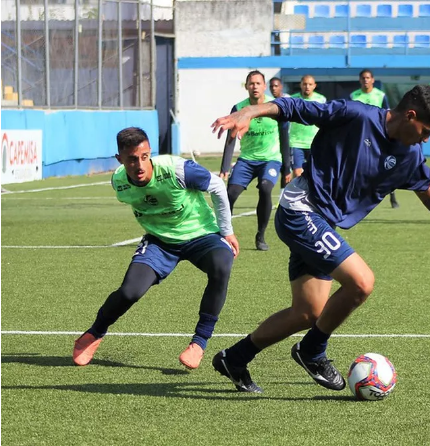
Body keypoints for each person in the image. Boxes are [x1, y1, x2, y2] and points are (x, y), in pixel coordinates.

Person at [209, 85, 430, 393]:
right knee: (362, 282)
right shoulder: (356, 115)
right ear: (410, 116)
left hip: (324, 224)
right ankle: (312, 352)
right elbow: (296, 108)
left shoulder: (410, 154)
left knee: (308, 313)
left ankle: (235, 358)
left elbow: (424, 186)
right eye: (425, 131)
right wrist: (250, 111)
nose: (426, 139)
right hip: (302, 209)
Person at [73, 127, 240, 370]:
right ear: (119, 159)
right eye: (131, 159)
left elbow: (215, 185)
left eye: (144, 157)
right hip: (159, 242)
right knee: (130, 292)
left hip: (201, 234)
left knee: (222, 265)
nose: (139, 165)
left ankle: (199, 342)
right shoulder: (118, 182)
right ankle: (94, 333)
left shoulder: (176, 169)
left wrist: (226, 230)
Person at [220, 70, 291, 250]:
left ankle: (261, 236)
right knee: (231, 194)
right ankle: (223, 234)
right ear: (246, 87)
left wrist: (287, 167)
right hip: (246, 160)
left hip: (271, 160)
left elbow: (285, 137)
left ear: (264, 86)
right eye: (251, 83)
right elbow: (231, 138)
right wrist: (225, 167)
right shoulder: (238, 109)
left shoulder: (275, 106)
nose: (255, 87)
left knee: (266, 188)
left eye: (258, 83)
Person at [350, 69, 400, 209]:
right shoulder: (354, 96)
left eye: (368, 78)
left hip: (379, 136)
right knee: (361, 166)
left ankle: (392, 195)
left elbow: (388, 115)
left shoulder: (380, 95)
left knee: (386, 165)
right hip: (361, 136)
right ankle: (358, 197)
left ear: (372, 80)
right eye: (363, 78)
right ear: (360, 80)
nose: (366, 80)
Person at [289, 75, 326, 177]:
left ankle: (312, 193)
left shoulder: (321, 100)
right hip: (296, 142)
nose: (307, 87)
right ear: (300, 85)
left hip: (314, 142)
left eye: (310, 84)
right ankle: (300, 193)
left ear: (314, 86)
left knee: (315, 173)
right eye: (305, 84)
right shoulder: (293, 100)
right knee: (297, 173)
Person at [269, 77, 292, 197]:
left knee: (288, 170)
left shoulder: (288, 100)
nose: (273, 88)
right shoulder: (269, 103)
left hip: (289, 141)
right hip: (275, 142)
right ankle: (282, 198)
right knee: (282, 169)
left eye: (276, 86)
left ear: (281, 86)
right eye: (271, 86)